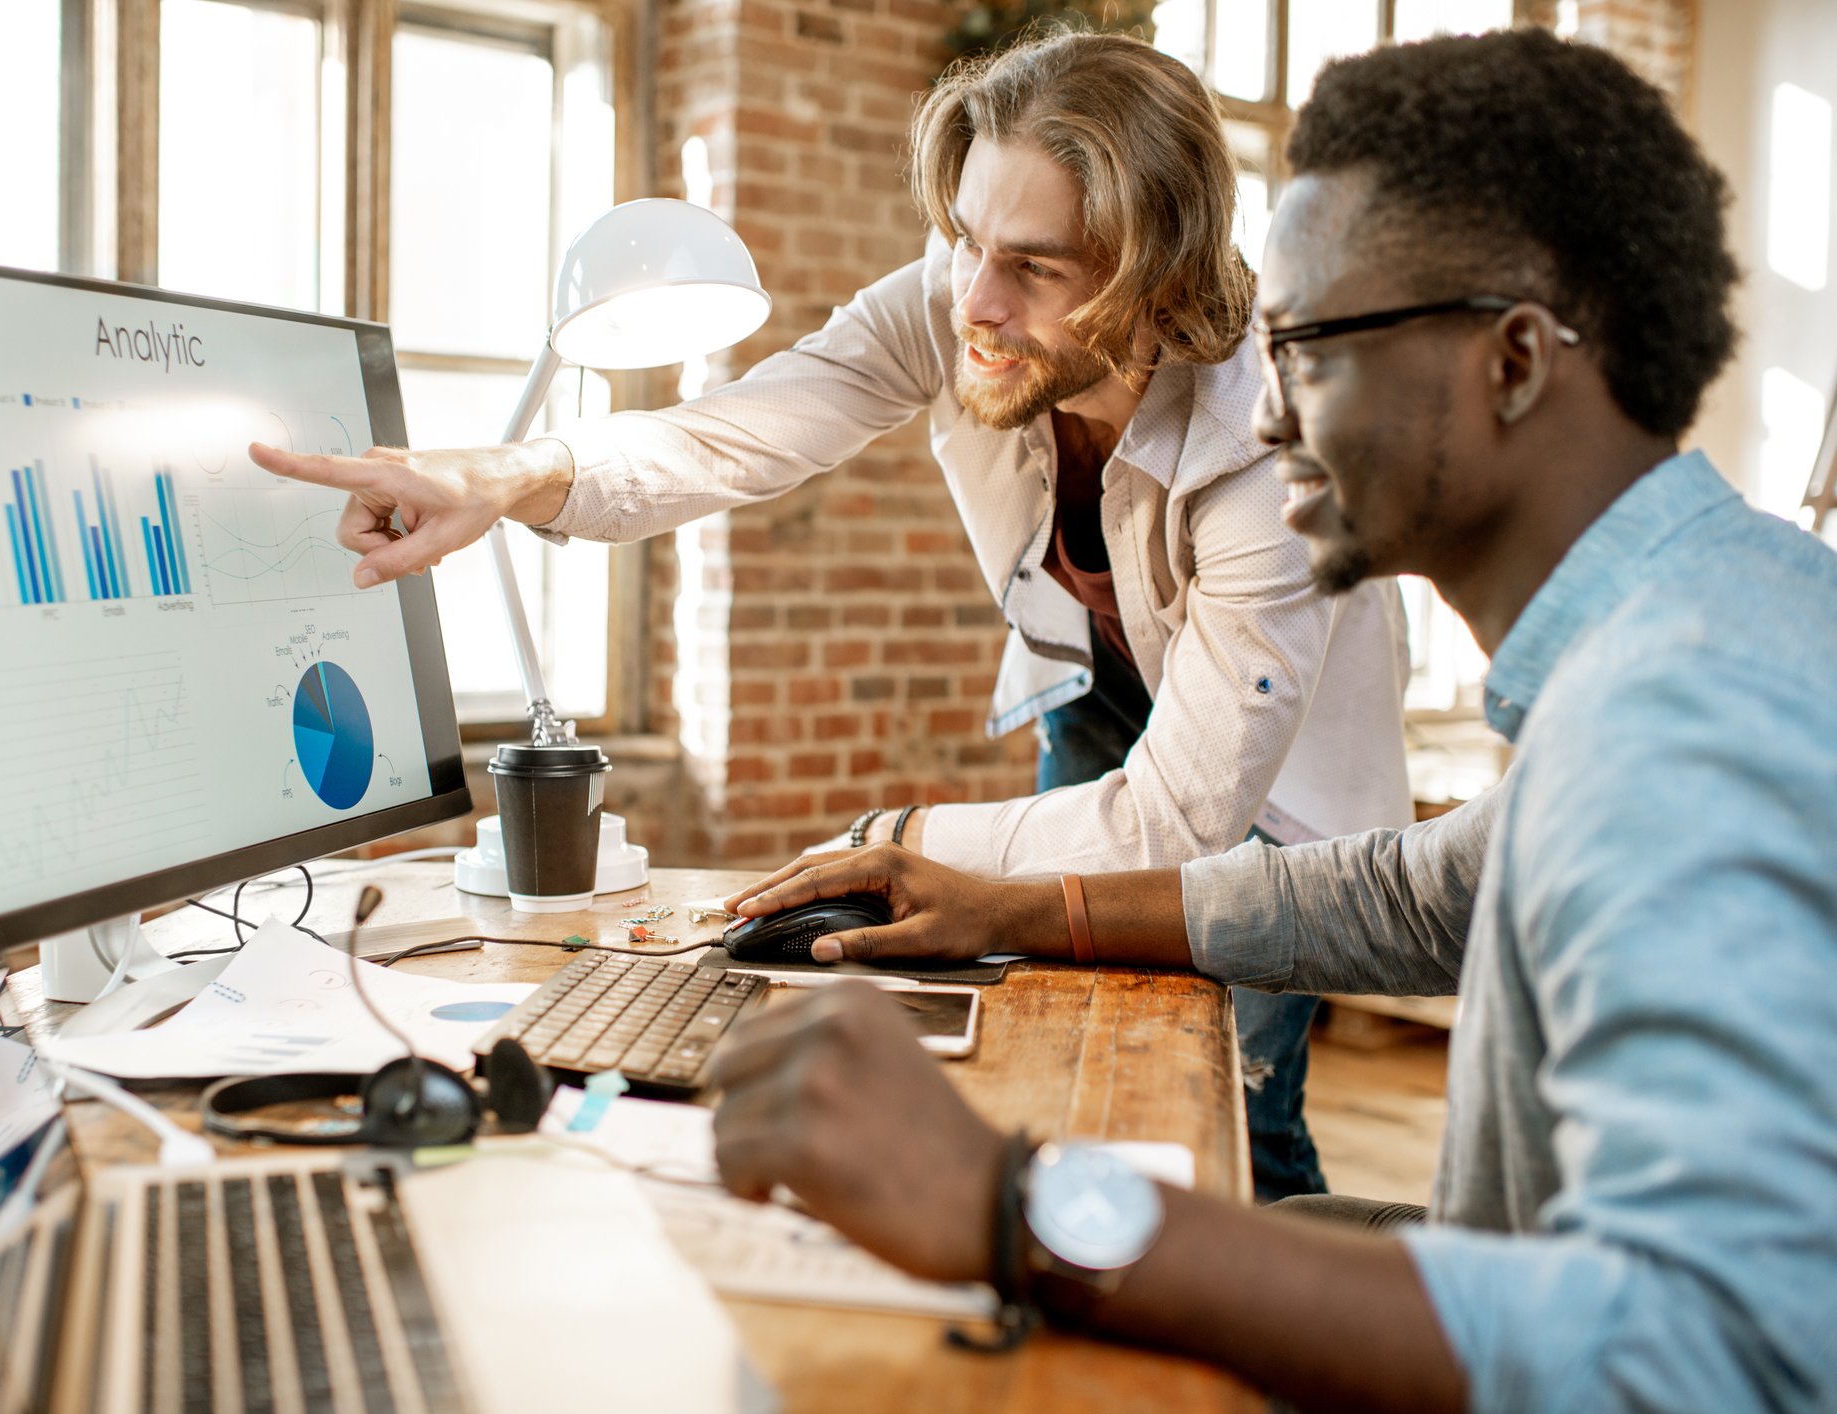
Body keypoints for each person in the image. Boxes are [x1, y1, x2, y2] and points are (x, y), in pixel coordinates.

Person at [706, 28, 1837, 1413]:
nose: (1264, 412)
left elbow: (1719, 1353)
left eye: (1304, 343)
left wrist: (1011, 1199)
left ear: (1512, 360)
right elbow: (1418, 893)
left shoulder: (1683, 716)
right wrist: (1004, 906)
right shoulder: (1692, 624)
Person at [250, 30, 1414, 1201]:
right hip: (1100, 689)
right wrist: (505, 477)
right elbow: (739, 430)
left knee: (1228, 1080)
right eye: (965, 239)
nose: (974, 300)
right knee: (1071, 1021)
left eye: (1035, 268)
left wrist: (895, 837)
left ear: (1152, 272)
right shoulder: (956, 295)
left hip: (1268, 783)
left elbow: (1178, 822)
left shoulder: (1270, 439)